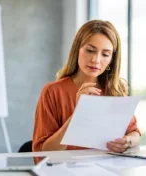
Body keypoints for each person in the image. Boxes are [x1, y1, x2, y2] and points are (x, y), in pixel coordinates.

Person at [32, 20, 140, 158]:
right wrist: (78, 114)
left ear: (111, 61)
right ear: (77, 50)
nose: (96, 60)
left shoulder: (115, 91)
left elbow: (134, 133)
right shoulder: (53, 91)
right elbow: (43, 154)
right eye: (90, 50)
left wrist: (128, 142)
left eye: (105, 54)